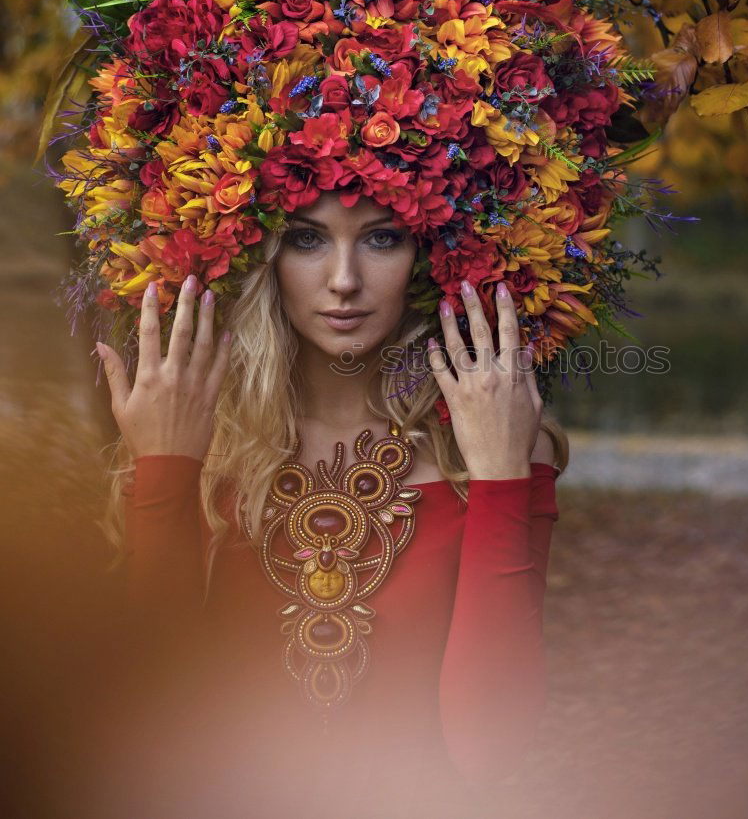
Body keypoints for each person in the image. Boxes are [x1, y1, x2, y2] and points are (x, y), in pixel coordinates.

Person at [92, 190, 568, 816]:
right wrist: (164, 472)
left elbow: (488, 747)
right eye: (306, 239)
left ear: (432, 260)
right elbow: (150, 725)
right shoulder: (191, 441)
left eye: (383, 237)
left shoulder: (491, 454)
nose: (344, 281)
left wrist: (503, 477)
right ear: (257, 256)